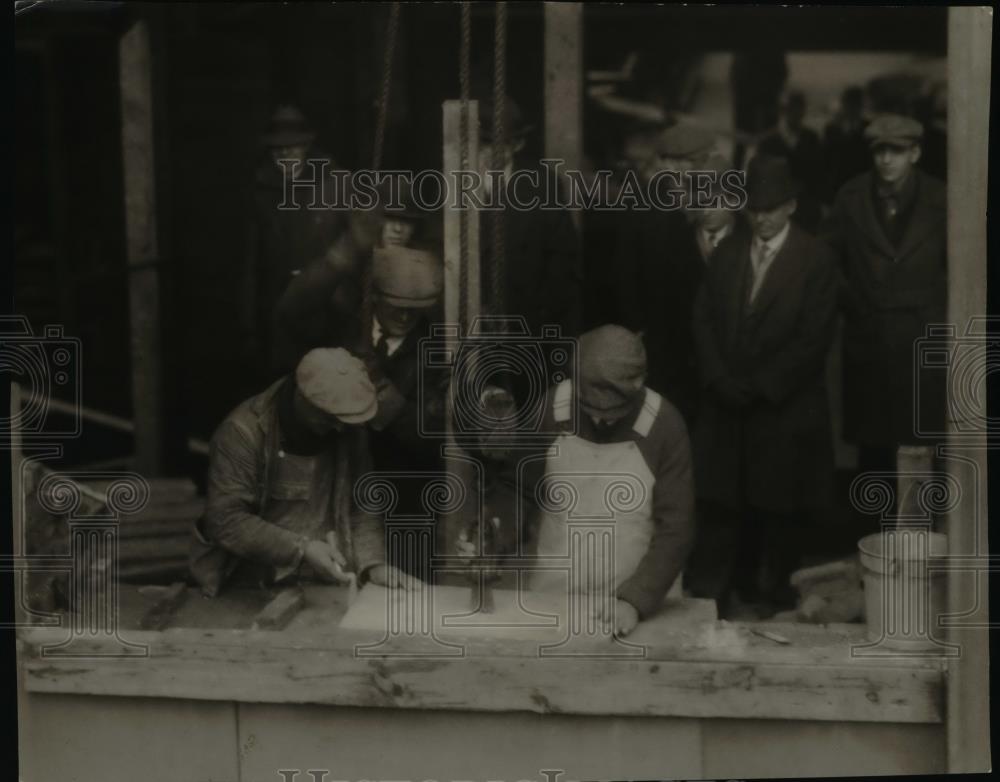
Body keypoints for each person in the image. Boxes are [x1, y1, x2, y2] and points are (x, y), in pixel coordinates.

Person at [688, 155, 839, 616]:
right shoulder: (730, 253)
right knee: (731, 500)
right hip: (729, 403)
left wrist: (760, 386)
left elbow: (813, 340)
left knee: (781, 503)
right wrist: (718, 378)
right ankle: (736, 586)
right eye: (753, 208)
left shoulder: (816, 258)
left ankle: (779, 589)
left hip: (784, 407)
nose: (761, 217)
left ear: (791, 206)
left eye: (771, 207)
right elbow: (703, 319)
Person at [190, 347, 418, 597]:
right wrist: (302, 548)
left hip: (322, 582)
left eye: (346, 420)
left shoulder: (347, 425)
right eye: (331, 418)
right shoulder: (242, 432)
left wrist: (373, 565)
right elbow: (226, 520)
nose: (341, 428)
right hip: (247, 587)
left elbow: (362, 504)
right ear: (303, 399)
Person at [527, 325, 696, 636]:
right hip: (556, 590)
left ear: (638, 385)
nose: (602, 420)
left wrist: (636, 599)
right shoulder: (551, 408)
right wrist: (493, 532)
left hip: (636, 595)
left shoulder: (665, 425)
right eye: (591, 409)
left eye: (614, 412)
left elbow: (677, 527)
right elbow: (518, 487)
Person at [821, 114, 946, 481]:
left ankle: (919, 533)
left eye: (896, 151)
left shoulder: (943, 198)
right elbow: (827, 262)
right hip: (869, 339)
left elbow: (965, 265)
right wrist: (855, 301)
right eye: (879, 152)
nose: (886, 160)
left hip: (921, 340)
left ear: (915, 153)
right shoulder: (851, 196)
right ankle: (871, 533)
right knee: (873, 446)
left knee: (920, 443)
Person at [616, 123, 716, 424]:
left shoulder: (692, 197)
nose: (700, 169)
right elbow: (625, 273)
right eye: (695, 163)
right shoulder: (647, 206)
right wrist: (637, 327)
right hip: (662, 334)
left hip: (683, 333)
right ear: (670, 163)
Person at [242, 105, 348, 382]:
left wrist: (341, 297)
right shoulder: (260, 190)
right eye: (278, 149)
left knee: (326, 383)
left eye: (292, 147)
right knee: (282, 383)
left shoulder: (333, 183)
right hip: (278, 304)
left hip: (325, 307)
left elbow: (352, 245)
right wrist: (250, 322)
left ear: (306, 146)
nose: (285, 155)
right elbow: (251, 260)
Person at [757, 91, 824, 232]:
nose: (797, 115)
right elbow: (762, 178)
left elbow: (818, 174)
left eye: (800, 111)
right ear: (784, 111)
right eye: (792, 110)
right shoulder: (768, 142)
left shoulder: (811, 139)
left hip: (806, 207)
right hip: (777, 205)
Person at [821, 86, 870, 203]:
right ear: (843, 105)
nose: (852, 108)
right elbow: (825, 161)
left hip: (862, 189)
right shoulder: (832, 129)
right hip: (838, 189)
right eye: (849, 104)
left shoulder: (869, 129)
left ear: (860, 106)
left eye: (855, 104)